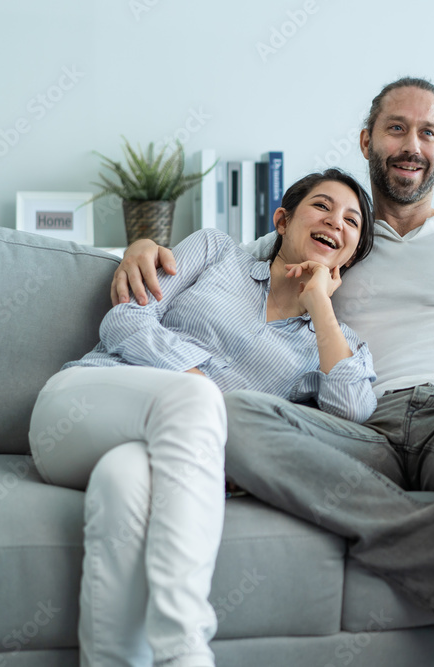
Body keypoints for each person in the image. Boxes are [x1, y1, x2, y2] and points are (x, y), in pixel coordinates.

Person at [115, 77, 434, 667]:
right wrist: (139, 246)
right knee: (227, 411)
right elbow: (243, 265)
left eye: (428, 132)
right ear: (367, 140)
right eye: (395, 128)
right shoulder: (338, 237)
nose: (412, 144)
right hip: (357, 427)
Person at [29, 168, 376, 667]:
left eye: (352, 222)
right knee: (198, 401)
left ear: (350, 254)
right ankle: (184, 652)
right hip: (80, 408)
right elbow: (125, 317)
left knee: (125, 481)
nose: (336, 222)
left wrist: (319, 305)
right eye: (322, 206)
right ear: (282, 219)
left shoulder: (339, 345)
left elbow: (351, 411)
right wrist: (199, 385)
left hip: (143, 454)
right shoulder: (216, 252)